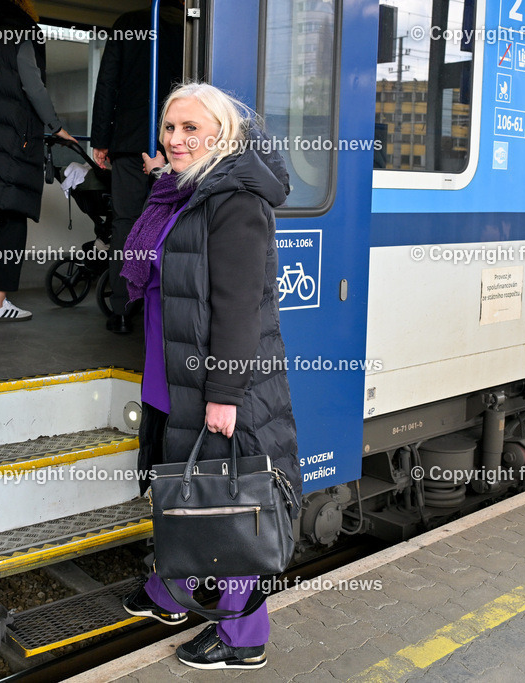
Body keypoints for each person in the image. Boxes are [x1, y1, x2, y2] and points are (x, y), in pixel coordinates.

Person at [117, 82, 302, 670]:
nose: (175, 139)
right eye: (169, 127)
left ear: (221, 133)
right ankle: (173, 592)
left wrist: (225, 395)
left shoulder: (236, 201)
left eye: (190, 129)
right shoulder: (181, 191)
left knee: (229, 500)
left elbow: (240, 305)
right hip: (171, 369)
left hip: (218, 382)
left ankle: (242, 638)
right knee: (184, 485)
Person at [90, 0, 185, 334]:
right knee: (172, 222)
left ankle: (122, 310)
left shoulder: (126, 23)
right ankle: (163, 311)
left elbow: (107, 84)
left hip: (129, 142)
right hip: (177, 143)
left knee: (126, 224)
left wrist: (101, 139)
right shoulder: (190, 27)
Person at [0, 0, 77, 322]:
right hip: (13, 142)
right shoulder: (22, 29)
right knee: (13, 216)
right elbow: (31, 83)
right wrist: (56, 126)